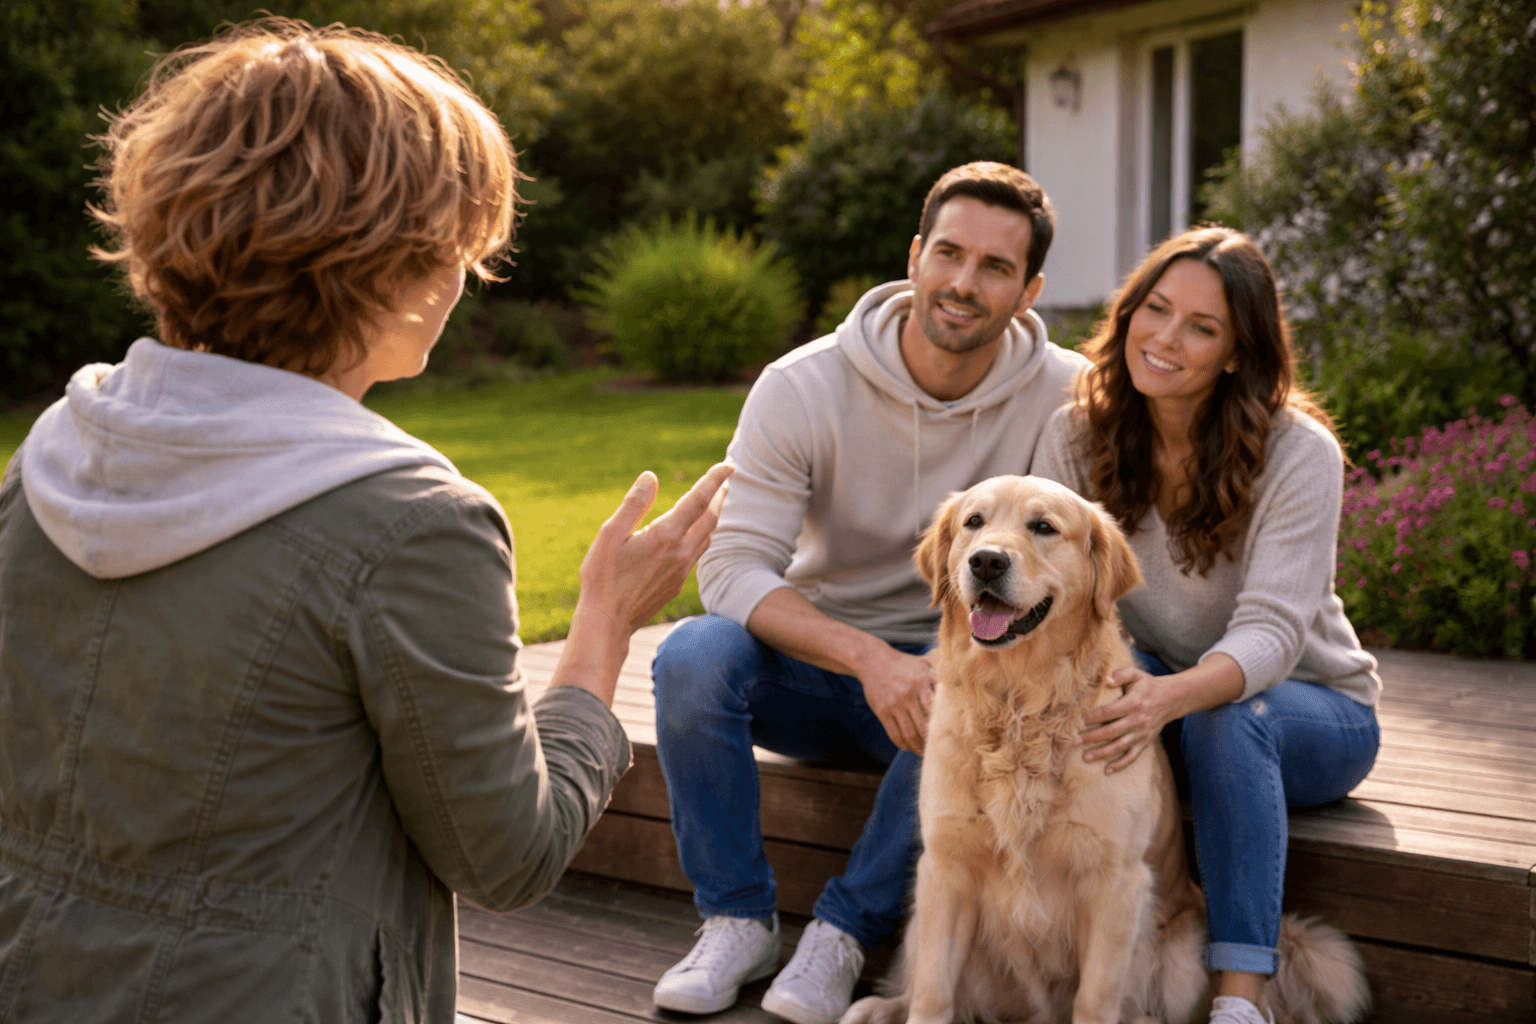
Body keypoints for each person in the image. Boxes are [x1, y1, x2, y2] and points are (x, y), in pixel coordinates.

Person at [0, 20, 730, 1024]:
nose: (464, 277)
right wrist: (604, 624)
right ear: (391, 259)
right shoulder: (412, 523)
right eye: (456, 245)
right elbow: (506, 854)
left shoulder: (48, 456)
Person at [649, 162, 1088, 1024]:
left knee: (966, 678)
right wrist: (867, 659)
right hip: (819, 670)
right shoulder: (802, 384)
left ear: (1028, 289)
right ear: (916, 255)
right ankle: (736, 919)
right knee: (693, 654)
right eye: (950, 254)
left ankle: (845, 933)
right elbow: (731, 568)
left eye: (995, 268)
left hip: (968, 678)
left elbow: (1068, 583)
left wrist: (933, 667)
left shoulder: (1064, 397)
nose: (964, 284)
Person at [1033, 226, 1381, 1024]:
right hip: (1159, 687)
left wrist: (1165, 697)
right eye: (1155, 309)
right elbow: (1057, 594)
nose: (1165, 337)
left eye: (1202, 326)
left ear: (1235, 352)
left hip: (1308, 708)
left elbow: (1271, 635)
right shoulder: (1075, 435)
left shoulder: (1300, 454)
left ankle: (1240, 999)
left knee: (1227, 721)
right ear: (1127, 314)